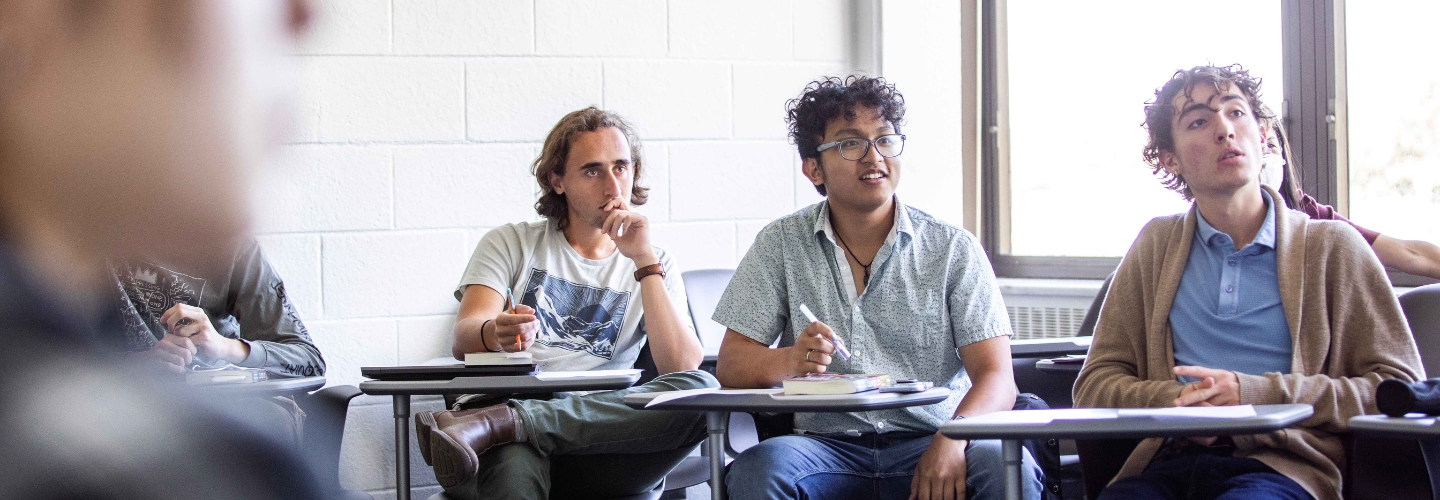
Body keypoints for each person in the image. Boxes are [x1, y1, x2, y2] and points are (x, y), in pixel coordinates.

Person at [0, 0, 324, 498]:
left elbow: (309, 358)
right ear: (27, 23)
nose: (306, 12)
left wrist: (226, 348)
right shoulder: (213, 468)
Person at [1075, 64, 1424, 500]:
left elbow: (1399, 389)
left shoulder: (1332, 246)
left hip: (1284, 467)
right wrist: (1178, 403)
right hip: (1166, 463)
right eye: (1199, 121)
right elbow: (1094, 384)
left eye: (1236, 112)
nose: (1224, 130)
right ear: (1171, 158)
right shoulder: (1155, 244)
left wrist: (1254, 394)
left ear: (1262, 136)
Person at [712, 75, 1042, 500]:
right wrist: (792, 359)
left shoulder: (951, 247)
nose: (875, 157)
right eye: (851, 144)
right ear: (813, 167)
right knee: (762, 469)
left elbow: (997, 376)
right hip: (824, 448)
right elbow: (732, 365)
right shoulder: (780, 244)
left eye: (885, 140)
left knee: (1001, 466)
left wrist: (953, 439)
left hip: (932, 436)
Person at [413, 107, 717, 499]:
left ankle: (506, 422)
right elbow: (465, 338)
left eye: (621, 168)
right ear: (558, 181)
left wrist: (643, 262)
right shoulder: (510, 243)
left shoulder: (655, 261)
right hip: (514, 433)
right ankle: (510, 422)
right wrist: (494, 332)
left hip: (602, 436)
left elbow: (681, 367)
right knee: (512, 465)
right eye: (592, 171)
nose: (613, 187)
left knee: (701, 389)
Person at [1258, 117, 1440, 280]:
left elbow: (1409, 254)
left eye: (1270, 146)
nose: (1262, 158)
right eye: (1254, 147)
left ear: (1283, 156)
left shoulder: (1307, 216)